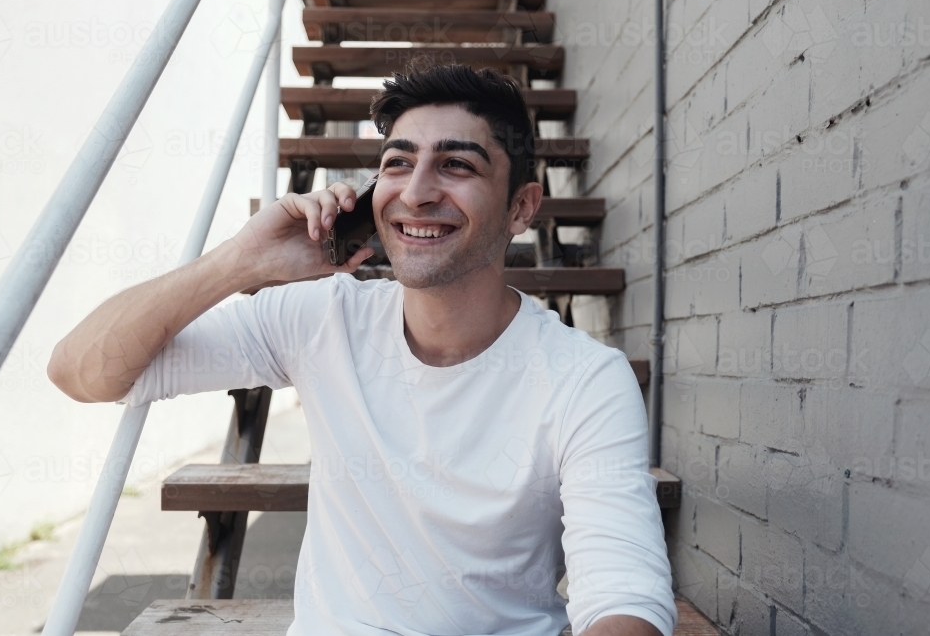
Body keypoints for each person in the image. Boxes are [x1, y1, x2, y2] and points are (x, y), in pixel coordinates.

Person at [48, 63, 676, 636]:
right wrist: (242, 261)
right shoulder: (322, 317)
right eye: (398, 163)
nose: (417, 191)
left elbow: (625, 599)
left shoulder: (585, 379)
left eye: (457, 165)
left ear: (521, 206)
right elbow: (82, 372)